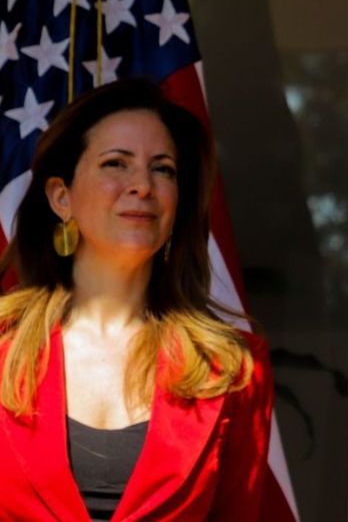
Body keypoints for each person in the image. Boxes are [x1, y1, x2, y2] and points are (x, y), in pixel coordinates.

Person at [0, 79, 274, 521]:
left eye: (162, 169)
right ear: (61, 197)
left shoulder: (236, 367)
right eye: (116, 164)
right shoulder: (2, 344)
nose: (143, 185)